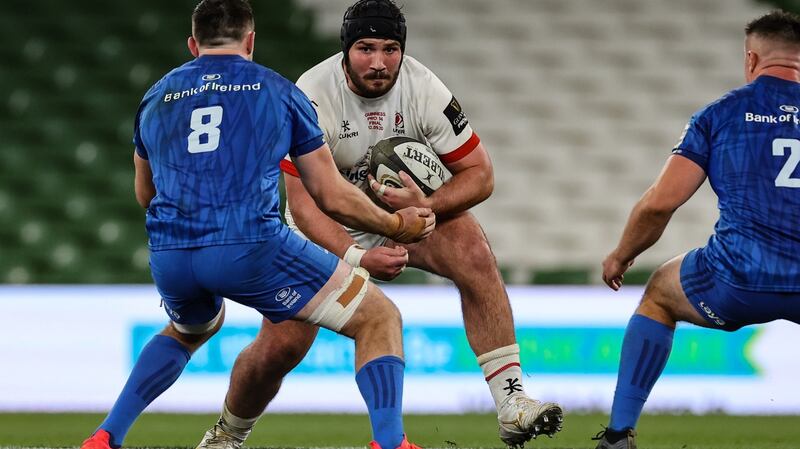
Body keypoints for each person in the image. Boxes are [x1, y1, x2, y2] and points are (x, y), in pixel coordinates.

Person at [195, 1, 562, 449]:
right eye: (366, 48)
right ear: (345, 50)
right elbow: (305, 208)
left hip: (397, 215)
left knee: (473, 251)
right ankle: (228, 433)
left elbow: (481, 175)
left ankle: (512, 402)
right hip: (324, 228)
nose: (379, 62)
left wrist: (425, 205)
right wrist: (358, 256)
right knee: (282, 346)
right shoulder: (311, 94)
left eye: (390, 49)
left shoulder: (423, 87)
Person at [78, 1, 436, 449]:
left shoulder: (156, 96)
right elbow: (330, 194)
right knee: (378, 317)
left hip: (171, 253)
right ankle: (391, 443)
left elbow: (145, 194)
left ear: (193, 45)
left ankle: (106, 435)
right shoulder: (278, 91)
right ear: (250, 40)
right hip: (250, 245)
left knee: (191, 329)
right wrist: (395, 222)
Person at [592, 10, 800, 449]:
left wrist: (621, 255)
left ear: (751, 59)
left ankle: (618, 435)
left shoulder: (721, 114)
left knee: (659, 294)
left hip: (738, 278)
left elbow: (660, 203)